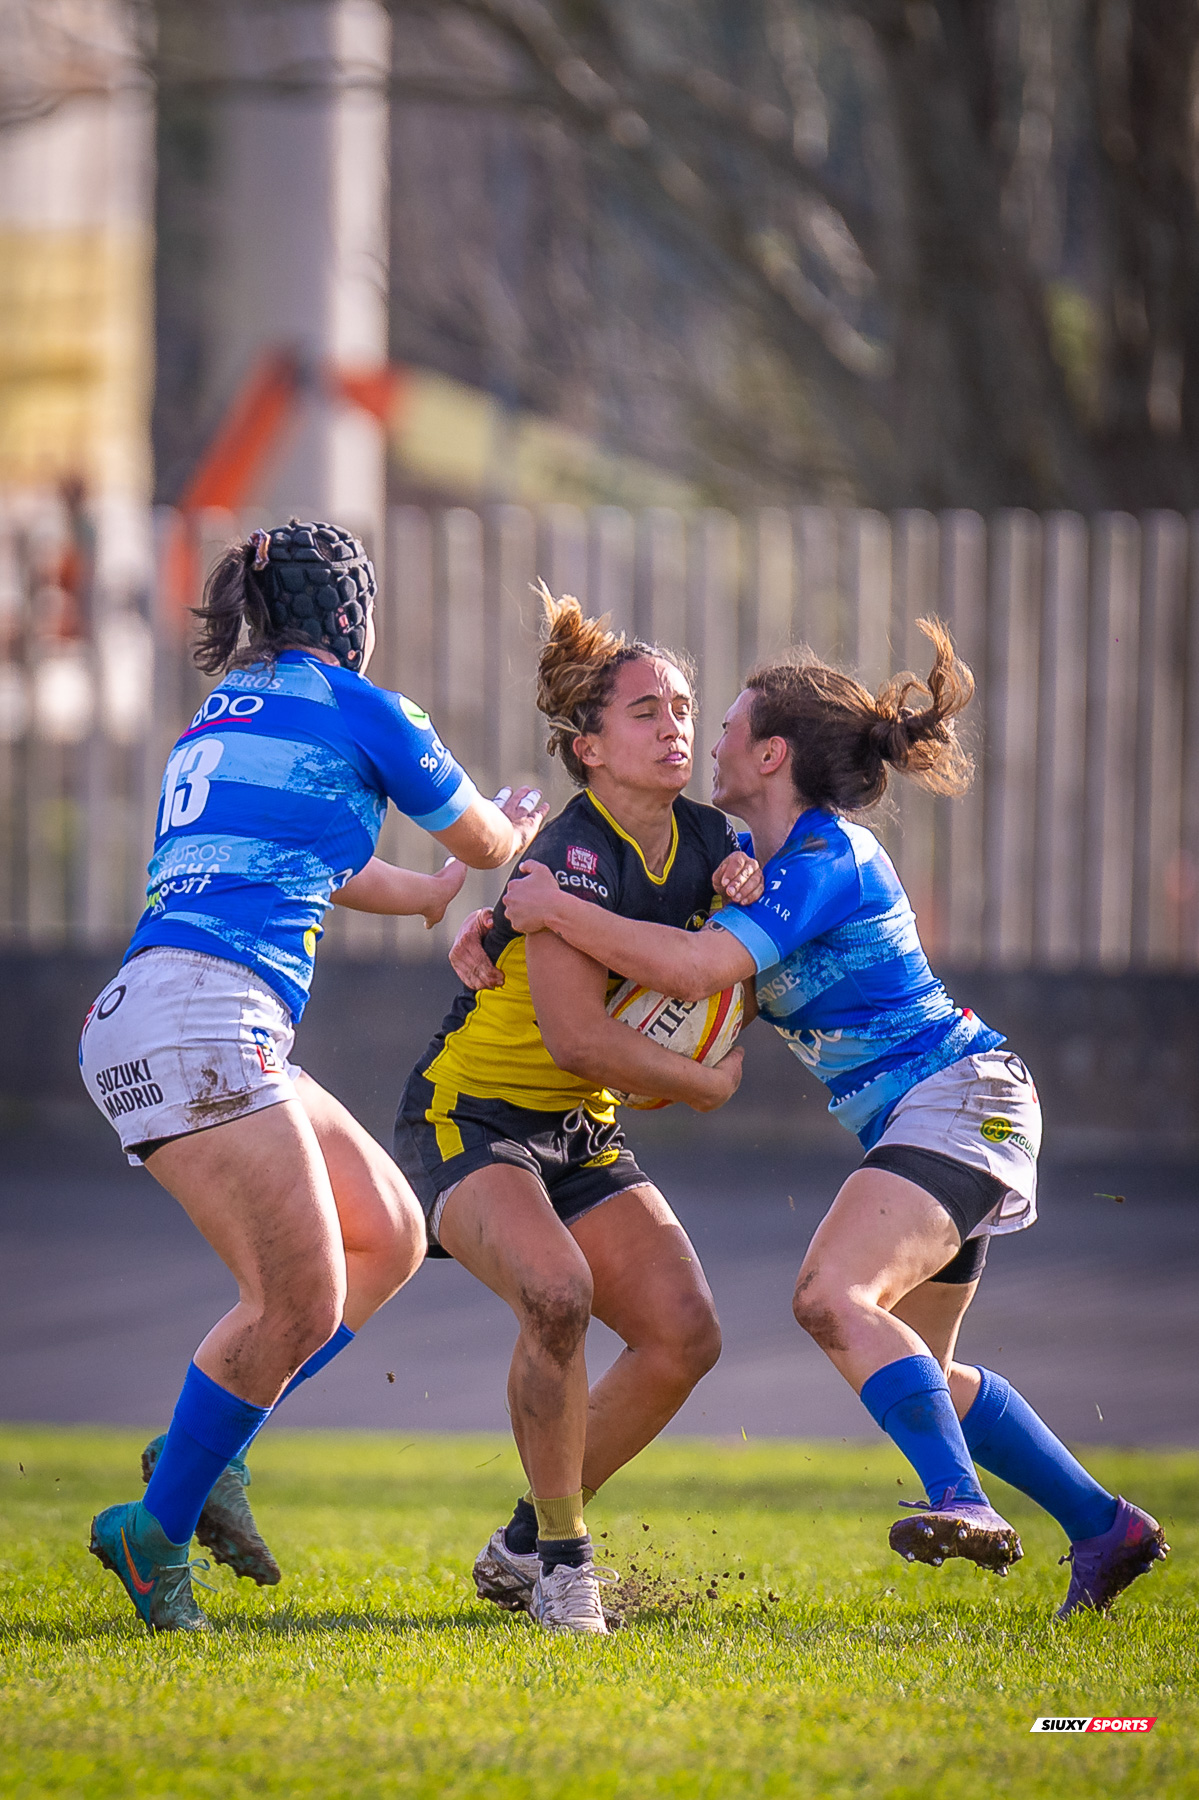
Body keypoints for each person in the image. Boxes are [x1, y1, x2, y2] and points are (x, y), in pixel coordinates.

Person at [495, 621, 1169, 1618]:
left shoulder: (826, 857)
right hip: (939, 1116)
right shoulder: (750, 860)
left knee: (828, 1296)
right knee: (925, 1370)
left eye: (719, 724)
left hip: (958, 1098)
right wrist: (487, 924)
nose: (702, 739)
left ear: (769, 754)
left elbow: (691, 971)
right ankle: (1104, 1526)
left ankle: (960, 1503)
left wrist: (549, 907)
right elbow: (671, 936)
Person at [79, 519, 547, 1633]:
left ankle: (203, 1451)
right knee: (300, 1300)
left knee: (386, 1231)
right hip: (204, 1020)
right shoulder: (360, 709)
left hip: (160, 1012)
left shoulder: (223, 720)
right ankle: (155, 1530)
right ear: (352, 615)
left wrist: (432, 895)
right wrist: (512, 834)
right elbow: (489, 839)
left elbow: (325, 865)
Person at [393, 588, 752, 1635]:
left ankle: (520, 1538)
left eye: (681, 705)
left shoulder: (710, 844)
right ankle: (564, 1567)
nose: (673, 723)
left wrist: (743, 884)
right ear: (586, 747)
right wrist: (707, 1085)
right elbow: (576, 1042)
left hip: (577, 1128)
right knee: (556, 1294)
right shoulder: (564, 854)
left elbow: (715, 988)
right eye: (644, 709)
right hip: (470, 1113)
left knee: (684, 1336)